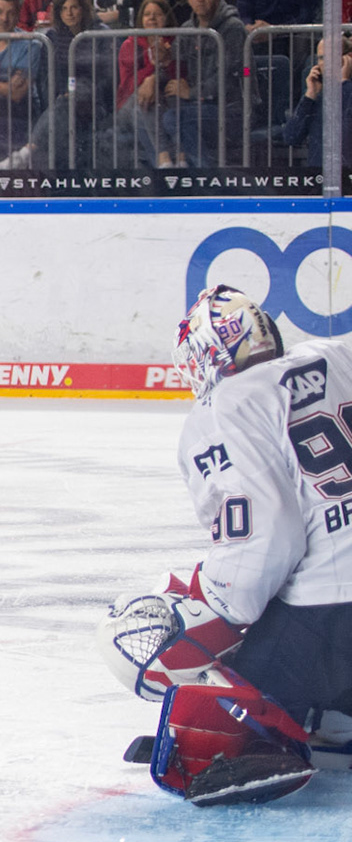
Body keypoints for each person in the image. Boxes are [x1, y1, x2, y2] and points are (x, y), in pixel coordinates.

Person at [96, 285, 352, 806]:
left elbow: (263, 544)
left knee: (141, 639)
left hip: (334, 618)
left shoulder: (224, 407)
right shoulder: (340, 354)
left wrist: (207, 600)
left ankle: (264, 737)